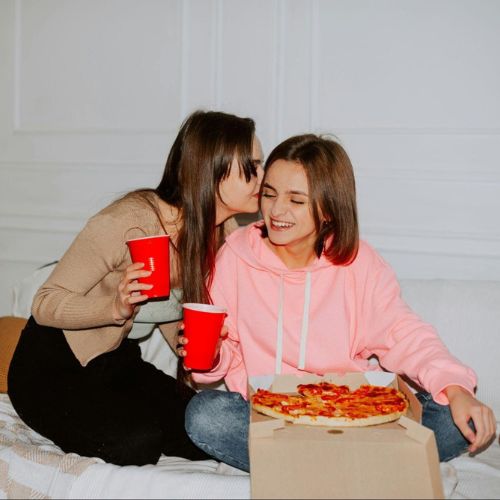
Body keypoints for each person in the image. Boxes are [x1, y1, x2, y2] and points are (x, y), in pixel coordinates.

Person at [180, 133, 496, 472]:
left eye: (296, 200)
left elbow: (403, 333)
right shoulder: (235, 258)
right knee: (205, 415)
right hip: (270, 414)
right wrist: (212, 356)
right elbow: (226, 349)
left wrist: (455, 386)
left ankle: (314, 468)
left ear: (328, 208)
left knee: (455, 420)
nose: (276, 210)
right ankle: (353, 469)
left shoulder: (359, 263)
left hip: (352, 413)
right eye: (269, 194)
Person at [7, 110, 264, 466]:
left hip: (115, 360)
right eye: (252, 166)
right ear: (212, 169)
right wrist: (113, 307)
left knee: (198, 431)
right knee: (136, 443)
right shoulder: (128, 221)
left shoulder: (221, 236)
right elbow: (44, 303)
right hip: (52, 363)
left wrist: (193, 345)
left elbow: (170, 310)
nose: (262, 178)